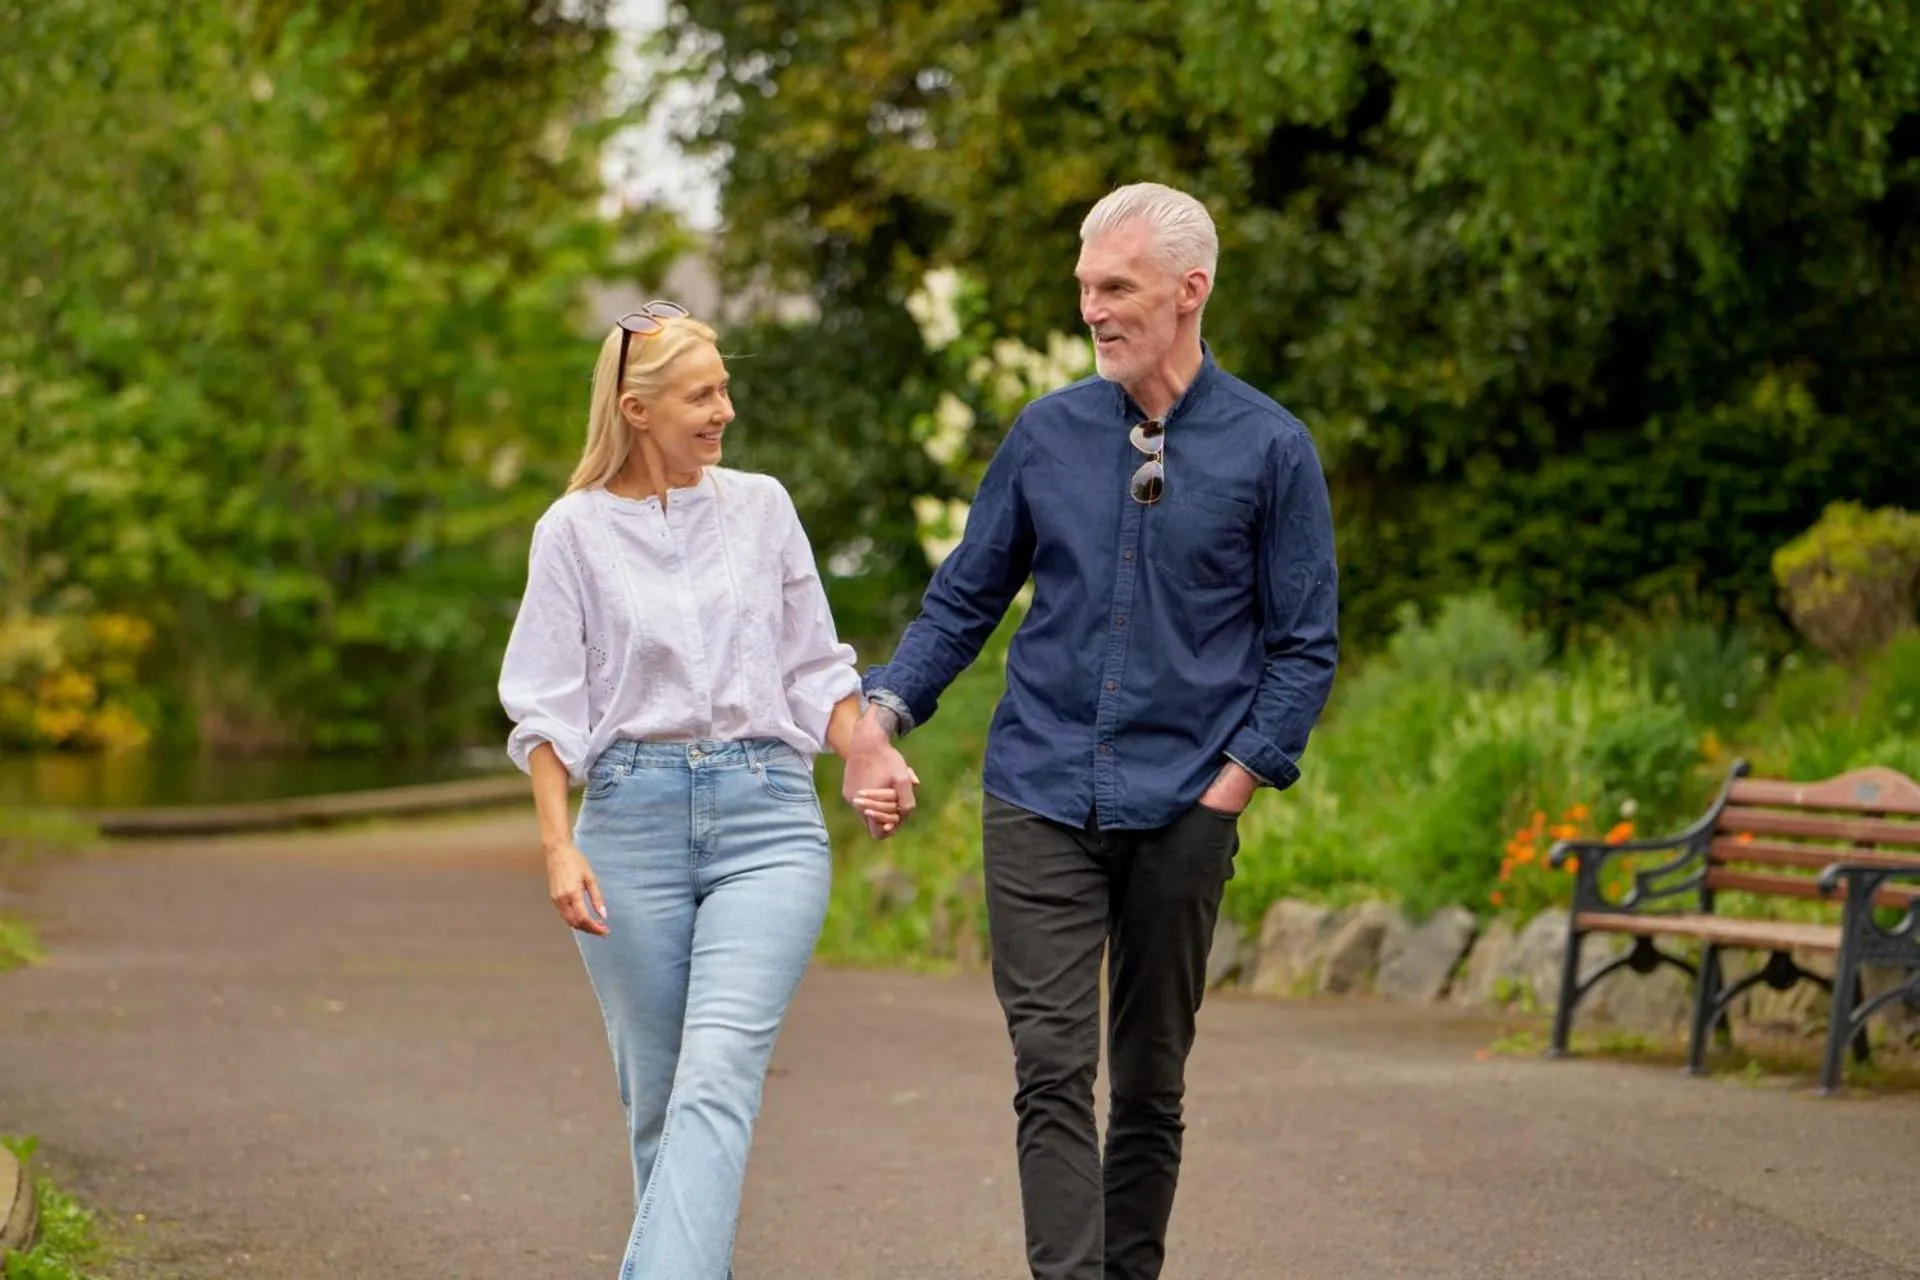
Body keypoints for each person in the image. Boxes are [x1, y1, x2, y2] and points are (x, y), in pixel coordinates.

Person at [845, 183, 1340, 1280]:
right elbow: (964, 599)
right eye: (1084, 288)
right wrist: (882, 713)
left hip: (1187, 803)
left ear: (1189, 289)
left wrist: (1233, 784)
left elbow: (1305, 646)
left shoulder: (1272, 448)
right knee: (1052, 1068)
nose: (1093, 310)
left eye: (1116, 287)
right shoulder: (1047, 434)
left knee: (1152, 1080)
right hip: (1040, 788)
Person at [498, 301, 899, 1280]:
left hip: (768, 821)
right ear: (636, 409)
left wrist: (864, 748)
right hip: (628, 824)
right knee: (659, 1102)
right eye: (702, 395)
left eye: (725, 389)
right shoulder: (572, 532)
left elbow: (814, 668)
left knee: (715, 1075)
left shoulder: (762, 508)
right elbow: (546, 705)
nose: (725, 411)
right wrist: (558, 845)